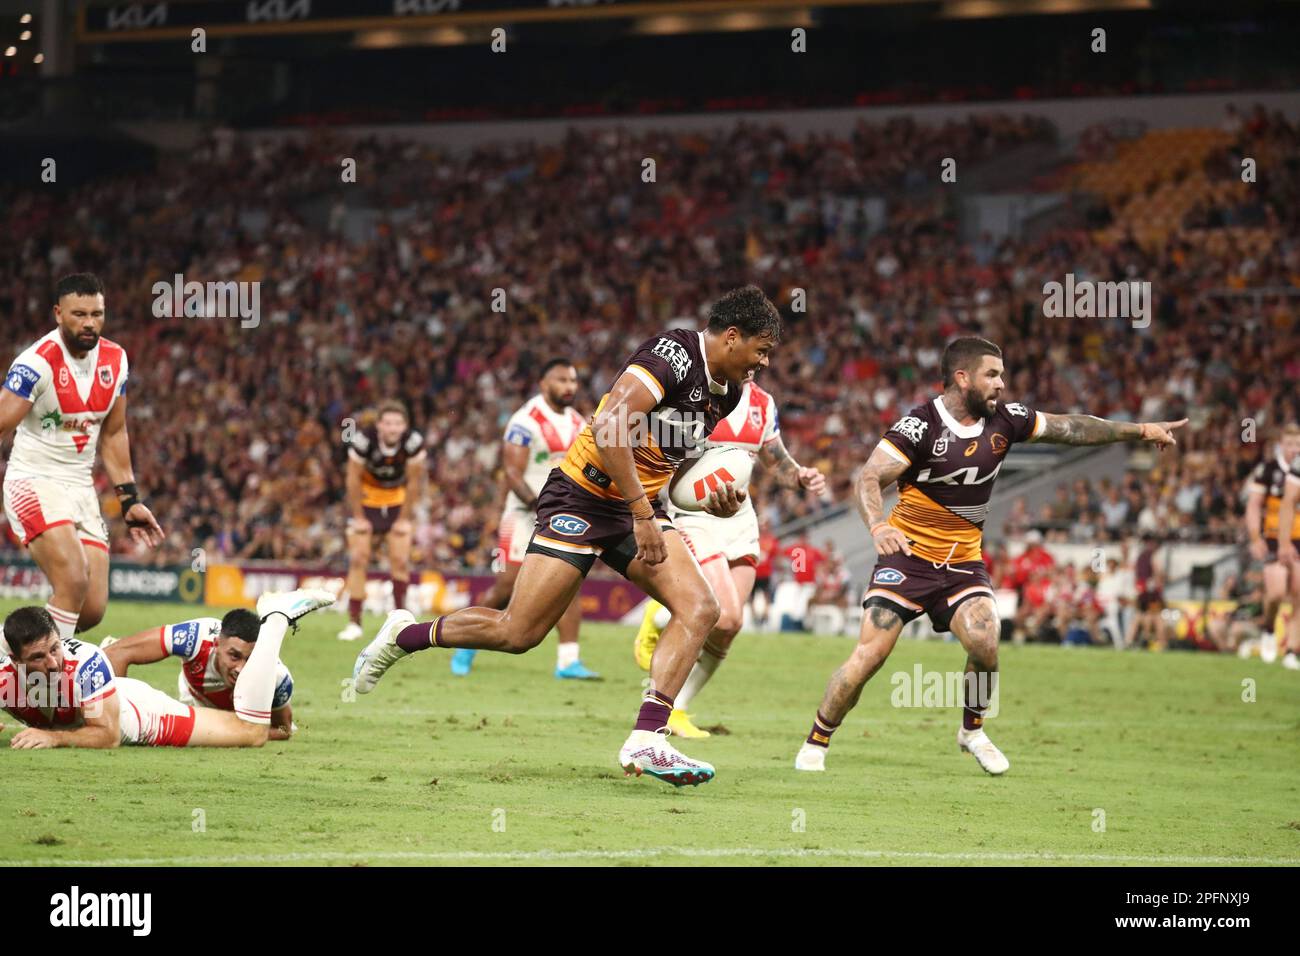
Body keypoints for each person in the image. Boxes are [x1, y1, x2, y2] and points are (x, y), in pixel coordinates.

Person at [353, 285, 782, 787]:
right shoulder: (672, 354)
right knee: (519, 633)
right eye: (762, 350)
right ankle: (403, 635)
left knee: (701, 609)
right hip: (583, 495)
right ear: (732, 337)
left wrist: (708, 497)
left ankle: (648, 738)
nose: (765, 363)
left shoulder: (726, 393)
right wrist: (643, 513)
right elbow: (608, 426)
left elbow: (674, 462)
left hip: (636, 507)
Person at [793, 335, 1186, 775]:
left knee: (985, 643)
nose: (1002, 384)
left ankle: (972, 731)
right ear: (963, 378)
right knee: (870, 656)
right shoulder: (919, 426)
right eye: (992, 375)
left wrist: (1138, 431)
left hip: (962, 561)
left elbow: (1071, 427)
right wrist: (879, 525)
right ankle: (817, 740)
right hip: (907, 557)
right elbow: (868, 478)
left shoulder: (1007, 420)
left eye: (1002, 374)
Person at [630, 378, 825, 736]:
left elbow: (774, 456)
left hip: (740, 518)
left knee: (731, 626)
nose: (760, 361)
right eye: (756, 349)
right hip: (695, 515)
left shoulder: (762, 403)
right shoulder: (694, 392)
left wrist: (800, 476)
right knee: (724, 614)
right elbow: (656, 448)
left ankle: (678, 710)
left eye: (765, 353)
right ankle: (658, 615)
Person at [0, 273, 165, 639]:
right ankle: (46, 690)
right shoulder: (36, 363)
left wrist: (129, 500)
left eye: (96, 314)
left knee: (90, 608)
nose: (89, 323)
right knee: (72, 580)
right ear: (58, 313)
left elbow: (114, 431)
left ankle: (7, 646)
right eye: (79, 314)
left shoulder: (116, 359)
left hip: (79, 488)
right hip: (33, 481)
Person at [0, 590, 332, 749]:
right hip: (117, 695)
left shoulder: (83, 664)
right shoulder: (5, 680)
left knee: (251, 733)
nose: (54, 662)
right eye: (39, 657)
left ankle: (275, 618)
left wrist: (53, 738)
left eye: (56, 648)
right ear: (15, 662)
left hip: (143, 716)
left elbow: (108, 735)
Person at [450, 359, 597, 679]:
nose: (569, 387)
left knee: (568, 584)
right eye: (561, 380)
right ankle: (466, 643)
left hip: (561, 516)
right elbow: (512, 473)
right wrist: (539, 504)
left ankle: (568, 661)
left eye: (573, 380)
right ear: (543, 383)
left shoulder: (577, 422)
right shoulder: (525, 420)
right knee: (505, 586)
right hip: (523, 515)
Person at [101, 609, 296, 740]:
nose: (240, 669)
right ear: (216, 644)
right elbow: (118, 652)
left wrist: (242, 731)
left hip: (239, 721)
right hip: (191, 701)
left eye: (250, 660)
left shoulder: (275, 675)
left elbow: (283, 729)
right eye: (234, 656)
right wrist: (115, 719)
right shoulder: (194, 637)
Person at [338, 400, 426, 641]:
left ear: (405, 426)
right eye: (388, 423)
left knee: (399, 560)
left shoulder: (413, 443)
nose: (393, 428)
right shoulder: (363, 441)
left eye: (398, 423)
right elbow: (353, 478)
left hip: (397, 502)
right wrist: (358, 516)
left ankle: (400, 620)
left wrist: (405, 518)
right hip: (367, 501)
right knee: (359, 558)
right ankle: (354, 622)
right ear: (379, 426)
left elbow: (414, 482)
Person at [1267, 435, 1300, 669]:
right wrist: (1284, 543)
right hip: (1281, 538)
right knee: (1278, 593)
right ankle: (1268, 629)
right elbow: (1288, 503)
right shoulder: (1268, 469)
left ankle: (1291, 650)